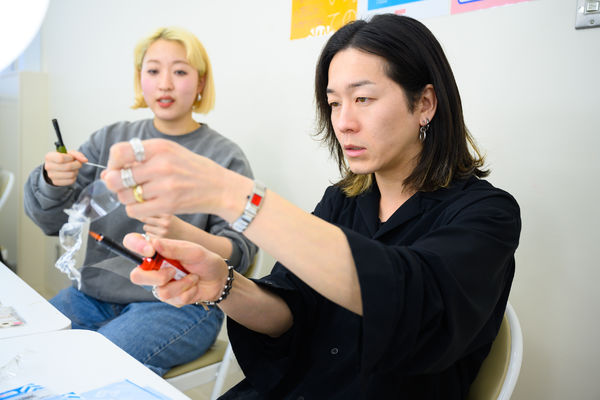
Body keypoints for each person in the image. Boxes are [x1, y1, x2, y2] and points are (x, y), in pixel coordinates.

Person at [103, 14, 521, 399]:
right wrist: (225, 285)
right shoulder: (341, 201)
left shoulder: (487, 214)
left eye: (363, 99)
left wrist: (236, 197)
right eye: (335, 102)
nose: (343, 122)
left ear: (425, 104)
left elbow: (411, 304)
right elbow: (290, 313)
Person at [23, 26, 257, 376]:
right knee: (29, 352)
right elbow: (52, 222)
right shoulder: (110, 140)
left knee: (91, 370)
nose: (165, 83)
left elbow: (241, 252)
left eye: (179, 71)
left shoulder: (224, 156)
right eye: (153, 71)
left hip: (179, 305)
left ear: (201, 83)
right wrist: (52, 180)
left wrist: (184, 232)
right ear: (140, 80)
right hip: (92, 297)